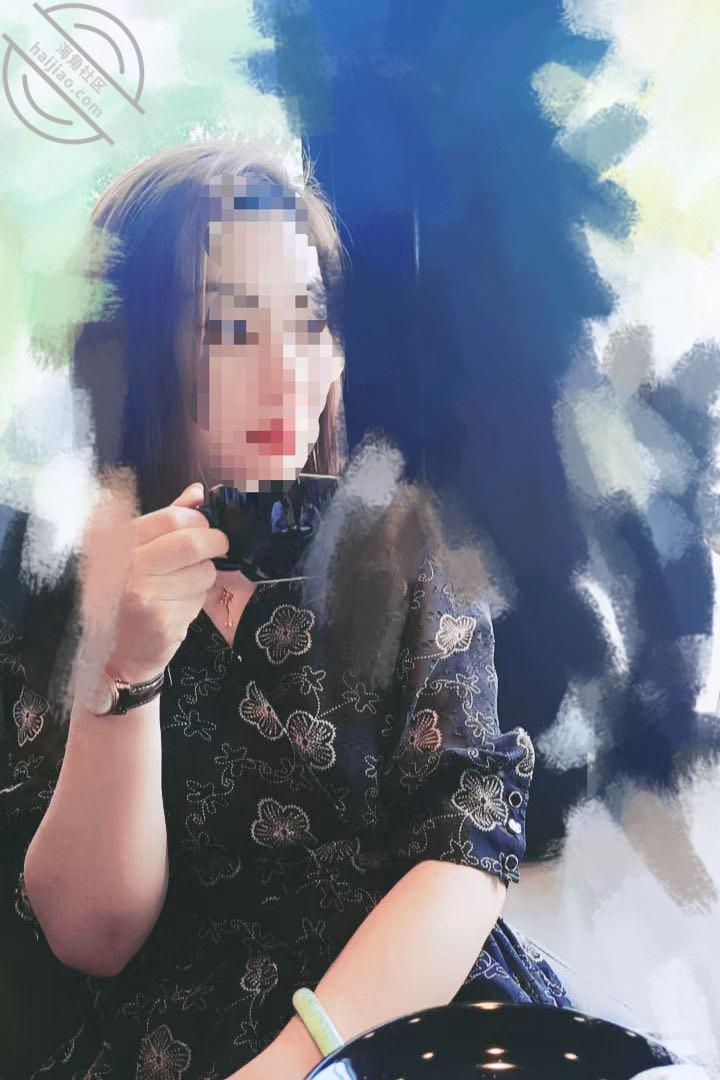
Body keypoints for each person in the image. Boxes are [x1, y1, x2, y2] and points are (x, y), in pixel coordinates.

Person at [0, 140, 573, 1080]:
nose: (289, 368)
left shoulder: (402, 546)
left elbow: (466, 843)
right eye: (232, 327)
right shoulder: (60, 583)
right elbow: (92, 935)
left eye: (309, 320)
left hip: (414, 997)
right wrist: (125, 674)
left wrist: (302, 1063)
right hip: (183, 1038)